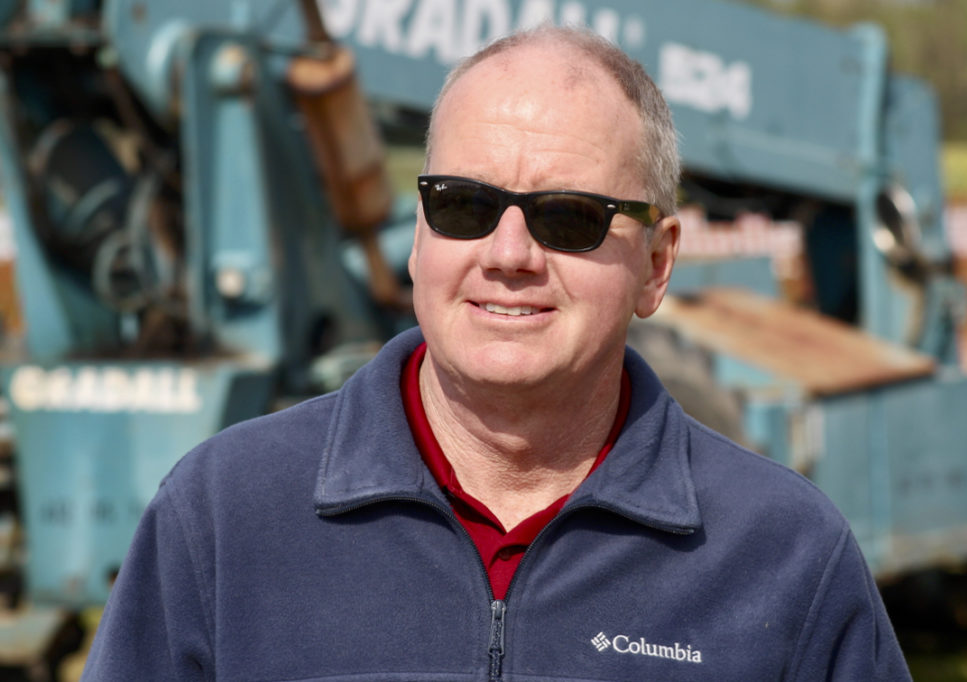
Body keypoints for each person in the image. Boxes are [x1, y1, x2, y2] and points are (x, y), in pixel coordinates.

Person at [83, 25, 911, 681]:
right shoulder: (223, 519)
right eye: (464, 205)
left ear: (657, 265)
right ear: (418, 237)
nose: (509, 254)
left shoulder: (784, 555)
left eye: (568, 217)